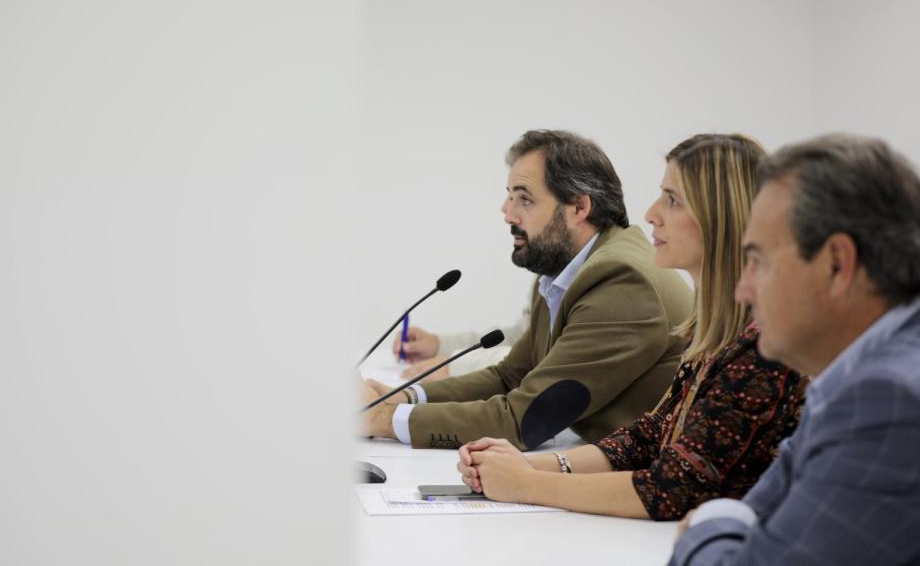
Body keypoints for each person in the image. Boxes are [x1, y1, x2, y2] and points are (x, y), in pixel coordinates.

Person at [456, 134, 806, 520]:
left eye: (672, 200)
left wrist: (527, 485)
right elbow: (651, 436)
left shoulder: (764, 344)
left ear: (720, 215)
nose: (652, 213)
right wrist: (535, 466)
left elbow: (674, 488)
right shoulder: (712, 331)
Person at [670, 134, 920, 565]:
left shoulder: (887, 398)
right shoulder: (851, 375)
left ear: (837, 264)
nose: (744, 289)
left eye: (760, 261)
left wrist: (705, 526)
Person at [362, 129, 693, 450]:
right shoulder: (562, 270)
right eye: (509, 196)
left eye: (524, 198)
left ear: (579, 208)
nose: (507, 213)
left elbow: (524, 419)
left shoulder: (622, 281)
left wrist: (383, 419)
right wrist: (405, 396)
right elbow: (510, 376)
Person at [391, 308, 529, 380]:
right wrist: (439, 346)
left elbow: (541, 357)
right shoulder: (542, 279)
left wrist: (457, 365)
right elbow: (523, 335)